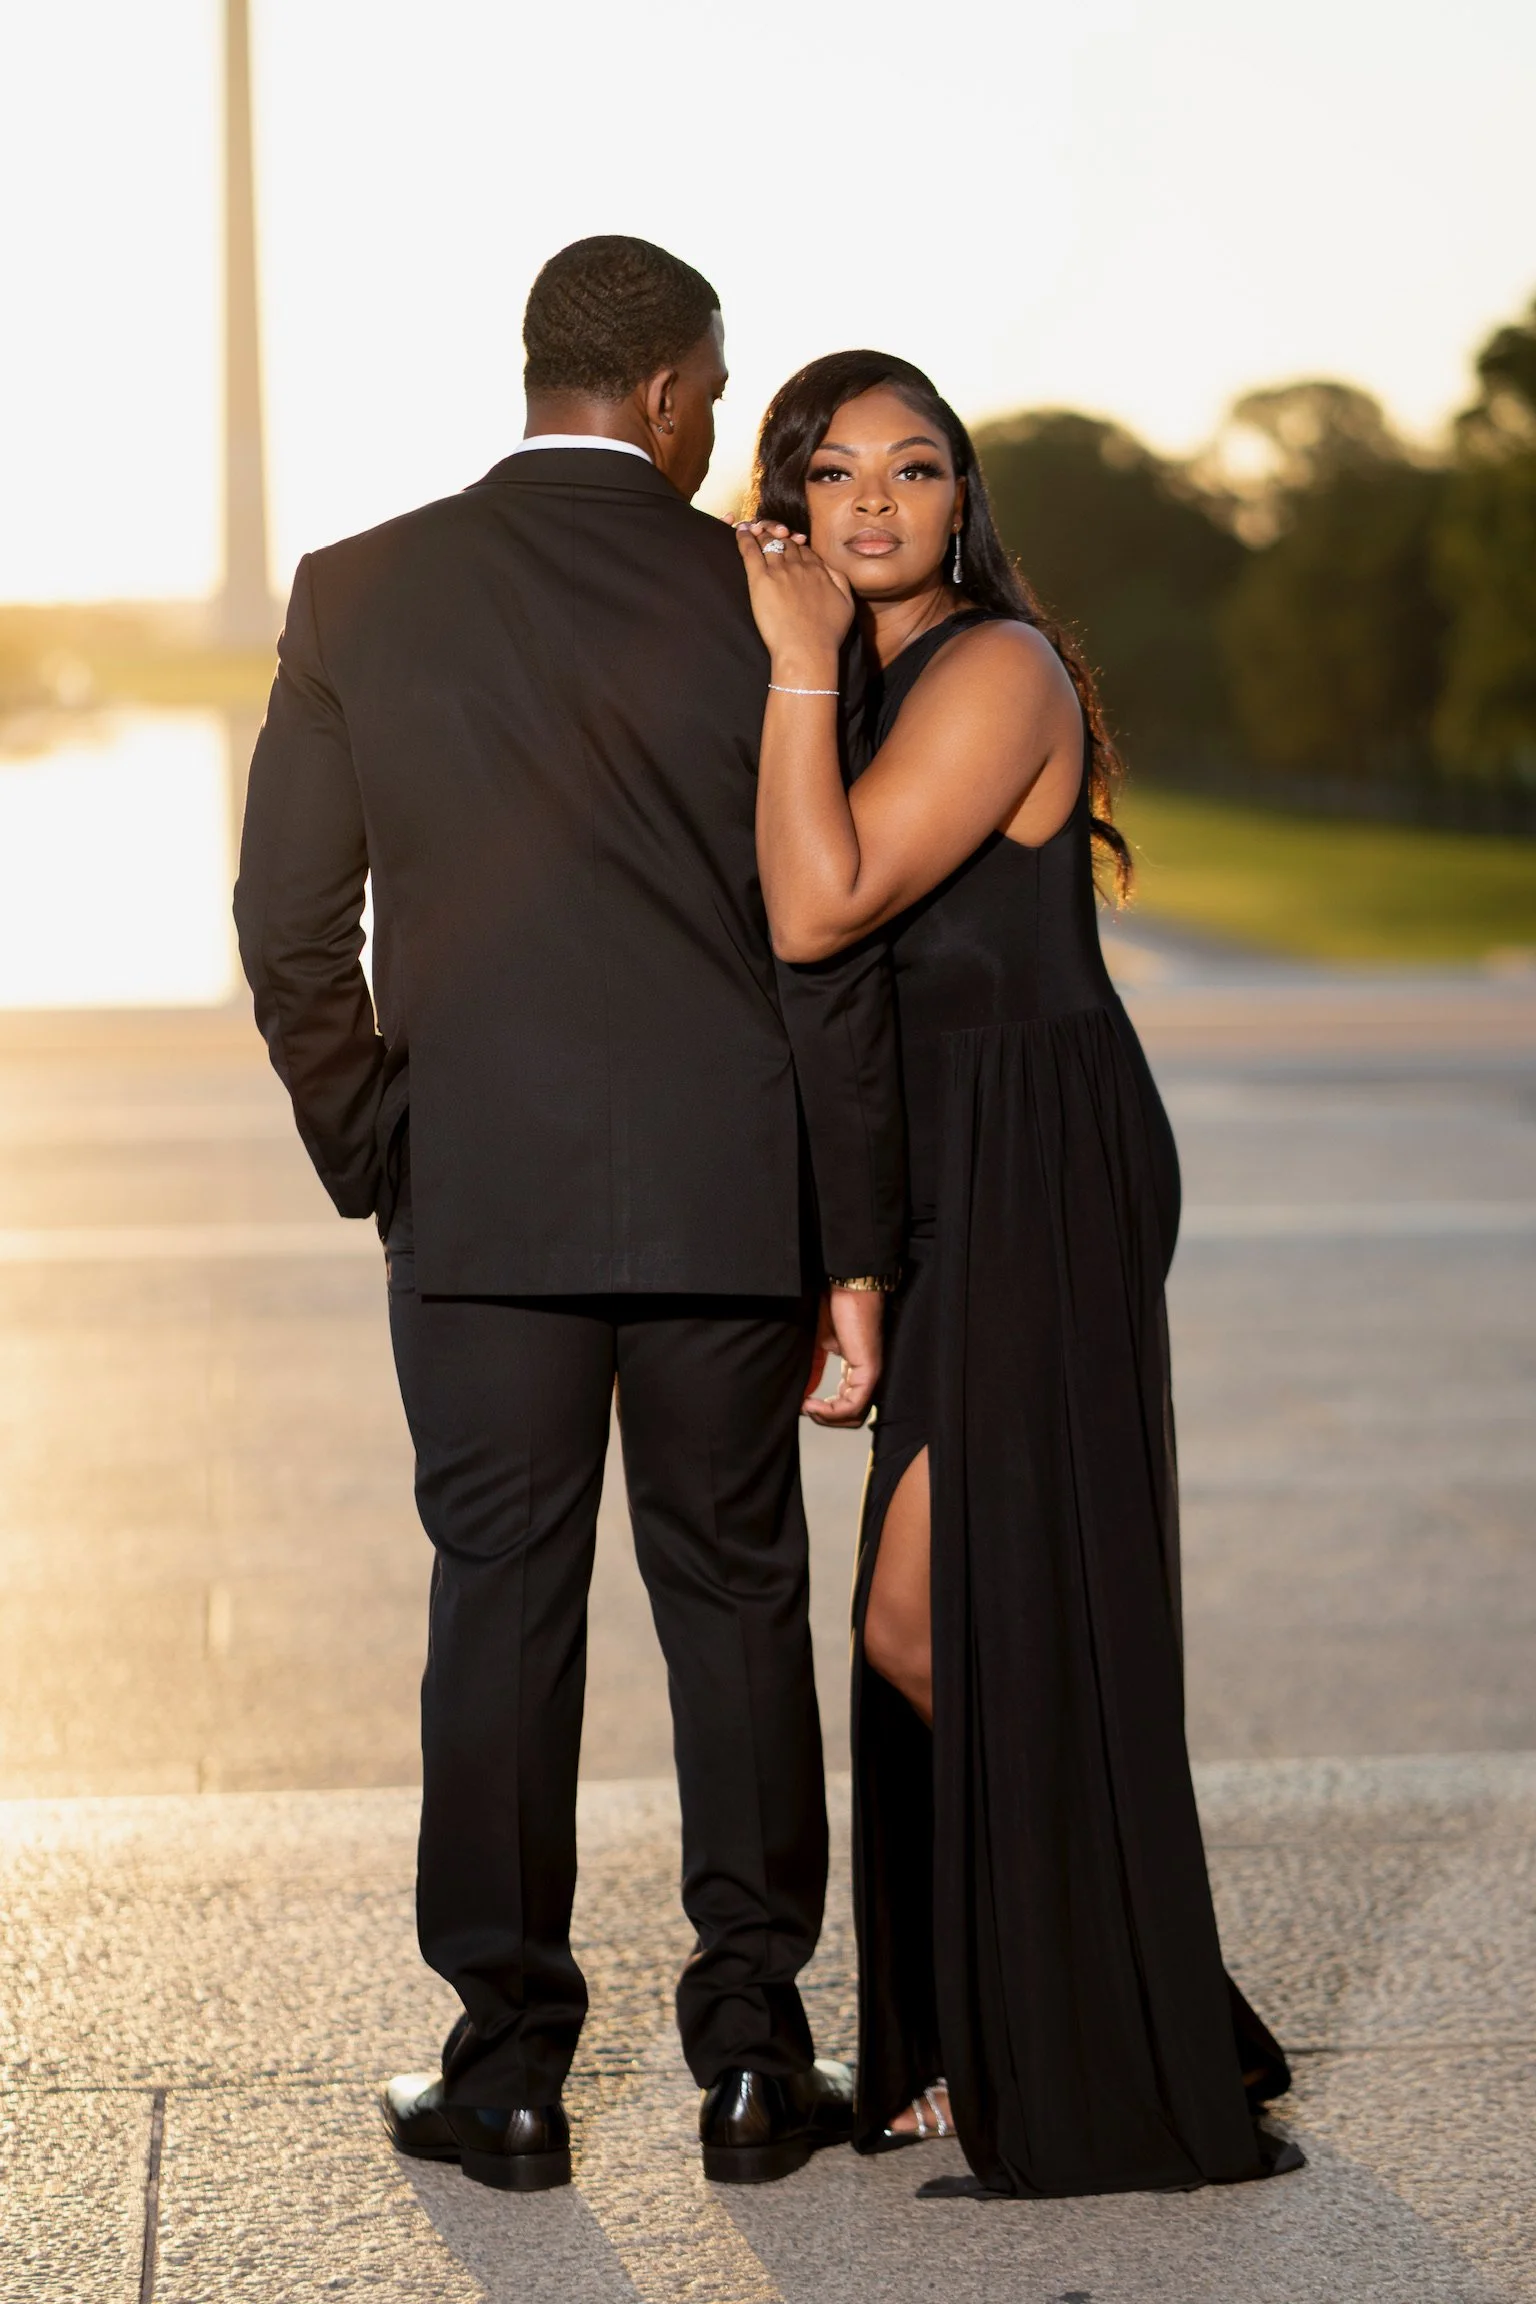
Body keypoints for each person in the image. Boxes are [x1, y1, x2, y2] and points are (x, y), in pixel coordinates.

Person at [233, 242, 906, 2192]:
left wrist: (387, 1145)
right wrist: (845, 1232)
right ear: (685, 394)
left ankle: (511, 2066)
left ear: (539, 373)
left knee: (499, 1617)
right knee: (736, 1605)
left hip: (481, 1204)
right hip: (726, 1195)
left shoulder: (362, 591)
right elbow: (830, 937)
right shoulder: (771, 597)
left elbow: (289, 933)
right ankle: (758, 2058)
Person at [734, 350, 1303, 2199]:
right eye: (838, 474)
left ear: (964, 500)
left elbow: (820, 911)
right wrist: (858, 1258)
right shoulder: (873, 675)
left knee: (939, 1614)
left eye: (915, 469)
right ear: (794, 504)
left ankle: (1109, 2022)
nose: (877, 502)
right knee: (944, 1607)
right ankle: (1066, 2013)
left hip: (1044, 1161)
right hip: (950, 1173)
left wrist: (797, 659)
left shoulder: (991, 667)